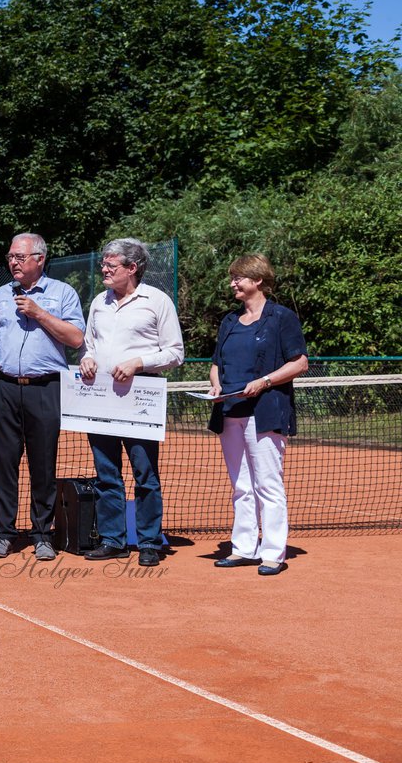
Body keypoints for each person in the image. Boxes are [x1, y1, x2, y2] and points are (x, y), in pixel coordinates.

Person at [0, 233, 85, 561]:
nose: (13, 263)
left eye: (20, 257)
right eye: (10, 257)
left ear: (39, 259)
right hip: (4, 387)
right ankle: (4, 534)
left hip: (46, 388)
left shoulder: (63, 293)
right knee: (3, 464)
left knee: (43, 465)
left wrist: (39, 313)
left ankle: (42, 534)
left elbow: (76, 338)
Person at [79, 238, 184, 567]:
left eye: (111, 265)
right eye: (104, 264)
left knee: (145, 474)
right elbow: (89, 345)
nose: (104, 269)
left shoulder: (157, 301)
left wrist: (138, 362)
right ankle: (113, 540)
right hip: (100, 400)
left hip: (141, 397)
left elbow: (175, 352)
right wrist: (87, 359)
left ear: (132, 268)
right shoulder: (98, 302)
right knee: (106, 473)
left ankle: (150, 541)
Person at [207, 254, 308, 576]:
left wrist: (263, 382)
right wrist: (215, 388)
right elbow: (215, 364)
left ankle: (273, 553)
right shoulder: (229, 321)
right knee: (241, 485)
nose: (233, 283)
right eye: (233, 278)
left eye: (239, 278)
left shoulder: (281, 318)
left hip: (265, 412)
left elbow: (299, 363)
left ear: (258, 280)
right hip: (230, 410)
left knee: (267, 484)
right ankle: (243, 549)